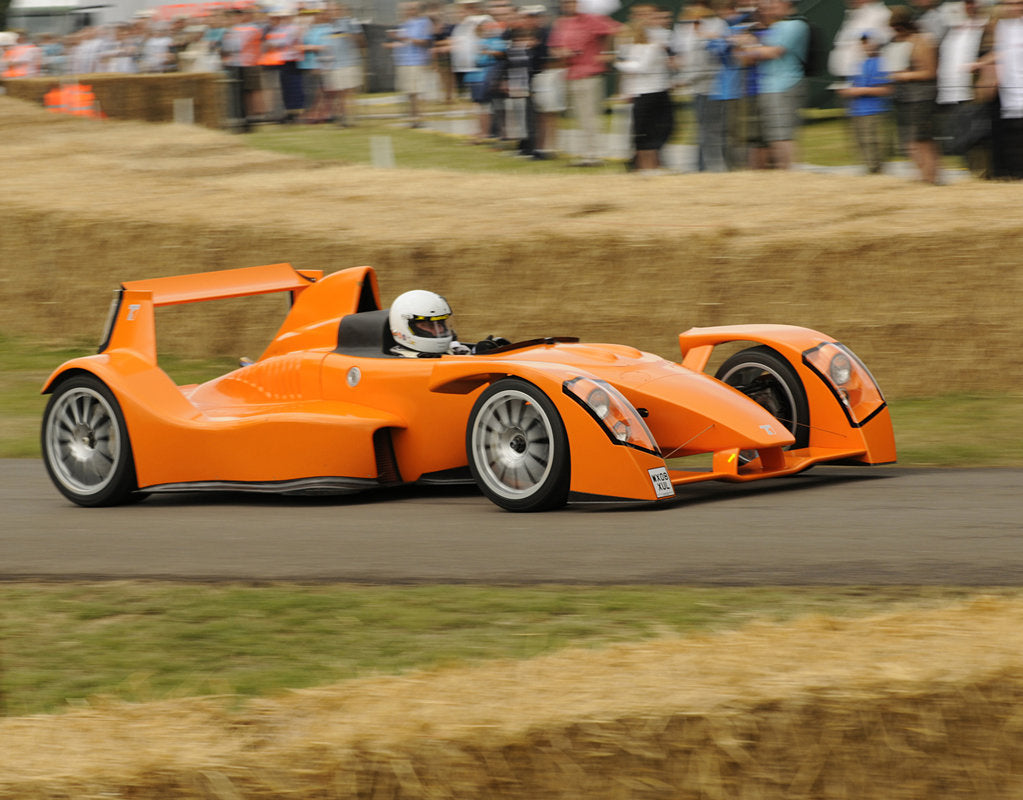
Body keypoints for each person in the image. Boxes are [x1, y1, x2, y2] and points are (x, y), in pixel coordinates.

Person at [548, 0, 622, 166]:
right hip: (571, 73)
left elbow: (615, 30)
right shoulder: (562, 23)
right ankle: (586, 152)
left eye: (572, 2)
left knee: (589, 116)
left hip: (589, 73)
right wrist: (561, 52)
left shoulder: (592, 19)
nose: (569, 5)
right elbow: (554, 47)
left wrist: (608, 52)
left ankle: (594, 154)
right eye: (566, 3)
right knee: (578, 117)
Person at [738, 0, 809, 169]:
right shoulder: (776, 27)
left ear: (787, 4)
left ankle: (787, 172)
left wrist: (747, 45)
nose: (769, 8)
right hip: (770, 87)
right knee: (775, 136)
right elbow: (747, 57)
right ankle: (781, 172)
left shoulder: (796, 25)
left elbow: (773, 52)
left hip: (784, 86)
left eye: (774, 4)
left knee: (782, 135)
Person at [615, 3, 675, 172]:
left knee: (657, 130)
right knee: (643, 132)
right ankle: (642, 167)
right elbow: (635, 68)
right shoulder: (636, 48)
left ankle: (653, 165)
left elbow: (641, 67)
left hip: (656, 91)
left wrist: (620, 64)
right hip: (642, 92)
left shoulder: (652, 46)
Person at [886, 5, 940, 183]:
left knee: (922, 140)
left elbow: (930, 72)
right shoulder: (896, 43)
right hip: (903, 98)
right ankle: (922, 175)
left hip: (921, 98)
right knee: (909, 141)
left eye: (897, 28)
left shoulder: (922, 42)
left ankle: (931, 178)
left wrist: (905, 75)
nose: (895, 32)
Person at [388, 291, 508, 357]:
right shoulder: (400, 361)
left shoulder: (453, 349)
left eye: (440, 323)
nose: (439, 330)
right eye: (429, 325)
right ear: (404, 327)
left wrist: (483, 352)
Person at [837, 32, 892, 173]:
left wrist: (860, 91)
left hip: (875, 111)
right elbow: (853, 85)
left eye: (868, 42)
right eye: (863, 42)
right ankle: (871, 172)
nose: (865, 45)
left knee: (874, 146)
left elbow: (887, 89)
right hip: (857, 111)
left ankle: (877, 173)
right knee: (861, 146)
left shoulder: (883, 63)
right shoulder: (858, 64)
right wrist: (847, 91)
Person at [388, 1, 436, 127]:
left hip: (416, 61)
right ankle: (412, 117)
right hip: (403, 61)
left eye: (411, 9)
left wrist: (407, 39)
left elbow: (426, 42)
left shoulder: (424, 22)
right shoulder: (404, 24)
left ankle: (418, 118)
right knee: (409, 92)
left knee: (416, 91)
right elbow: (401, 42)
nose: (408, 12)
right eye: (407, 9)